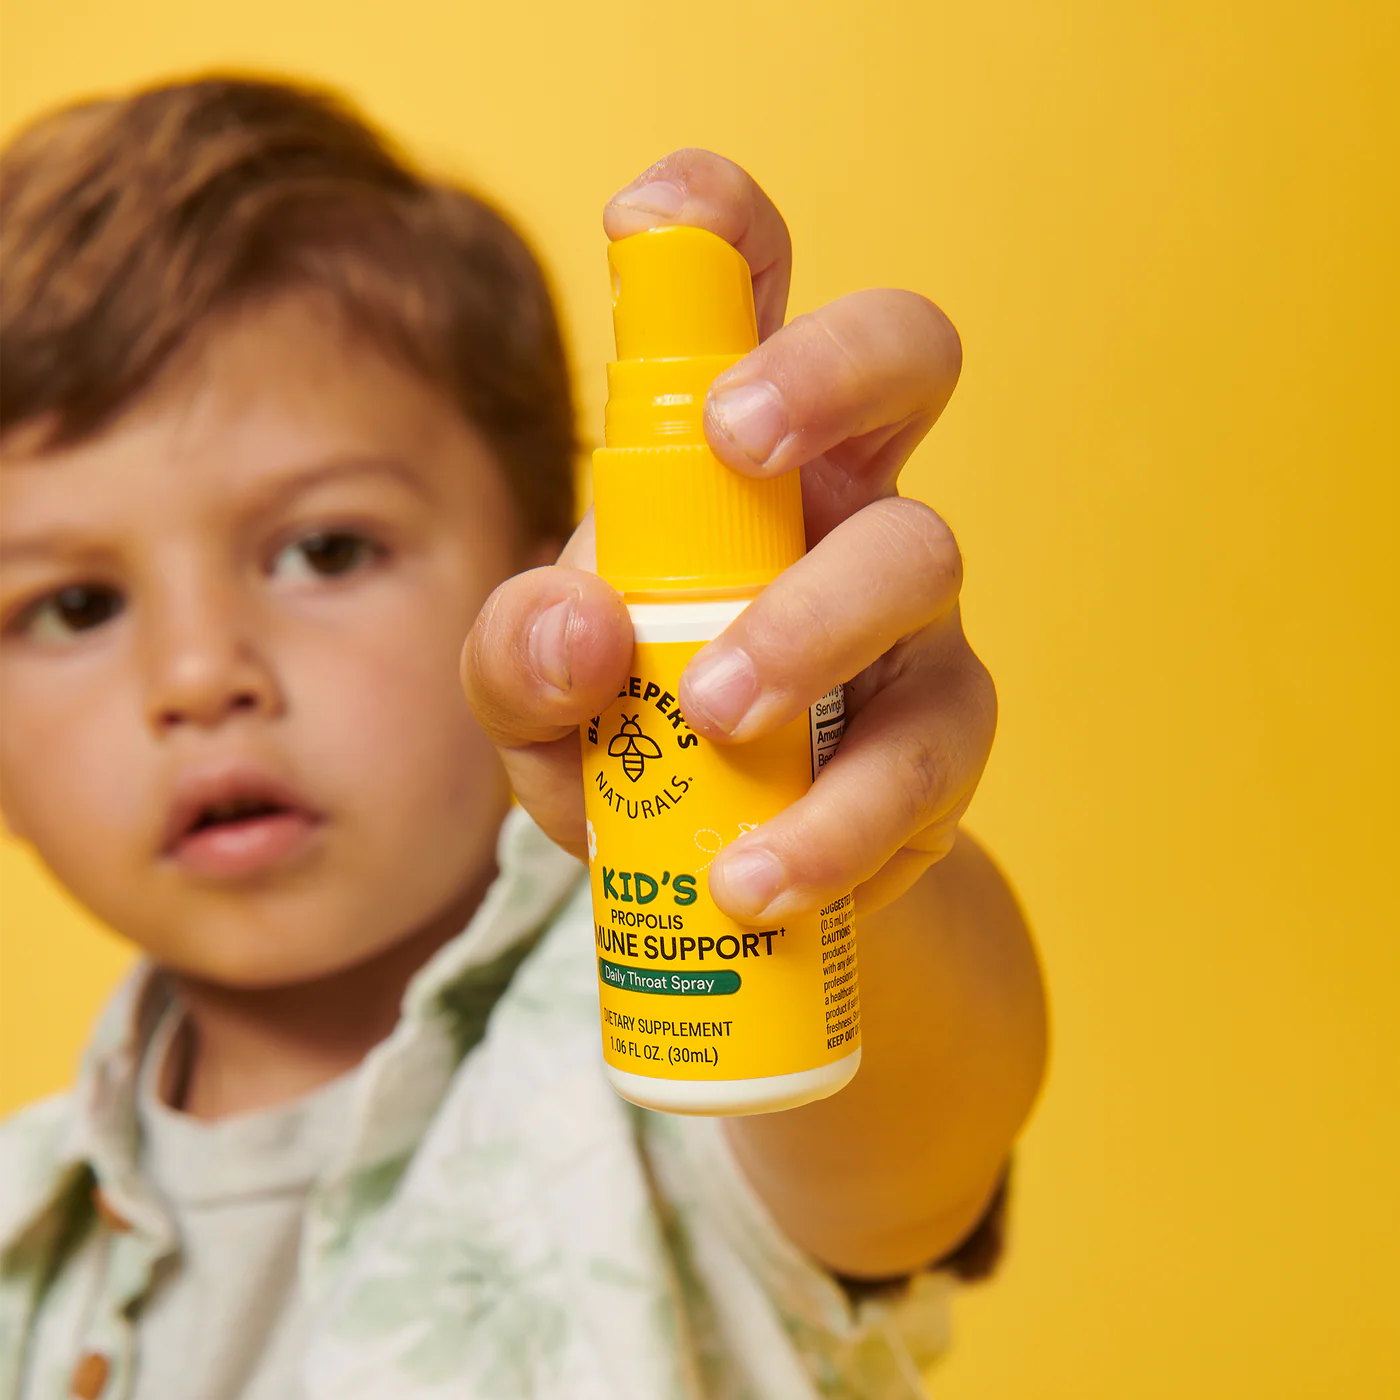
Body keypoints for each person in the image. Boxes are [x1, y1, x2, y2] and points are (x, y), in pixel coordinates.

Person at [0, 74, 1047, 1399]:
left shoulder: (669, 1043)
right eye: (75, 605)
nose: (201, 674)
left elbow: (918, 1124)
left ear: (539, 570)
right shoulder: (21, 1233)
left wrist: (838, 831)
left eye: (325, 549)